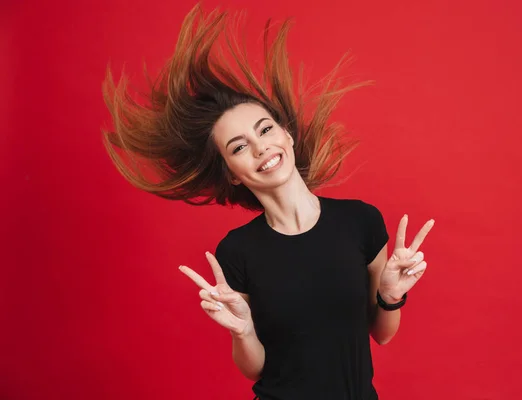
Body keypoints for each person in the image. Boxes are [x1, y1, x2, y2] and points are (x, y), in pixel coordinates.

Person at [101, 3, 434, 399]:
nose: (261, 148)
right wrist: (242, 330)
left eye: (265, 129)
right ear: (230, 171)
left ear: (287, 135)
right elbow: (254, 367)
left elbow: (381, 335)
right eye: (240, 146)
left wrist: (391, 296)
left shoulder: (360, 221)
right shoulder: (237, 252)